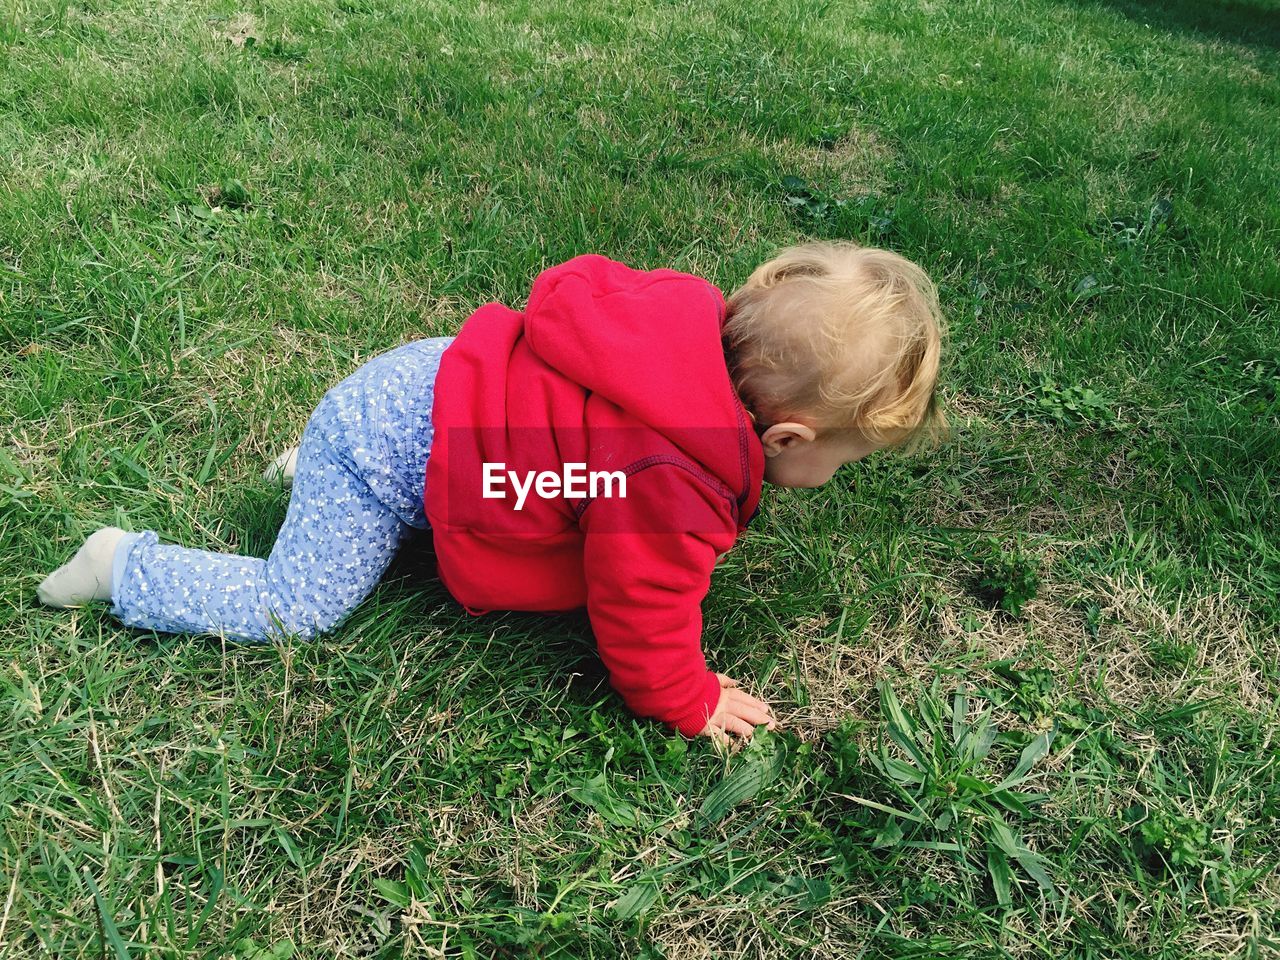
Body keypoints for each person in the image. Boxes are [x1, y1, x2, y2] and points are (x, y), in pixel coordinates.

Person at [37, 242, 948, 742]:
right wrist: (687, 696)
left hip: (429, 378)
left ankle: (309, 459)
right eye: (846, 457)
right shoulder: (676, 480)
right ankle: (124, 570)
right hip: (389, 449)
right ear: (787, 439)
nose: (836, 473)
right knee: (298, 605)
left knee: (417, 463)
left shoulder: (678, 325)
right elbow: (642, 606)